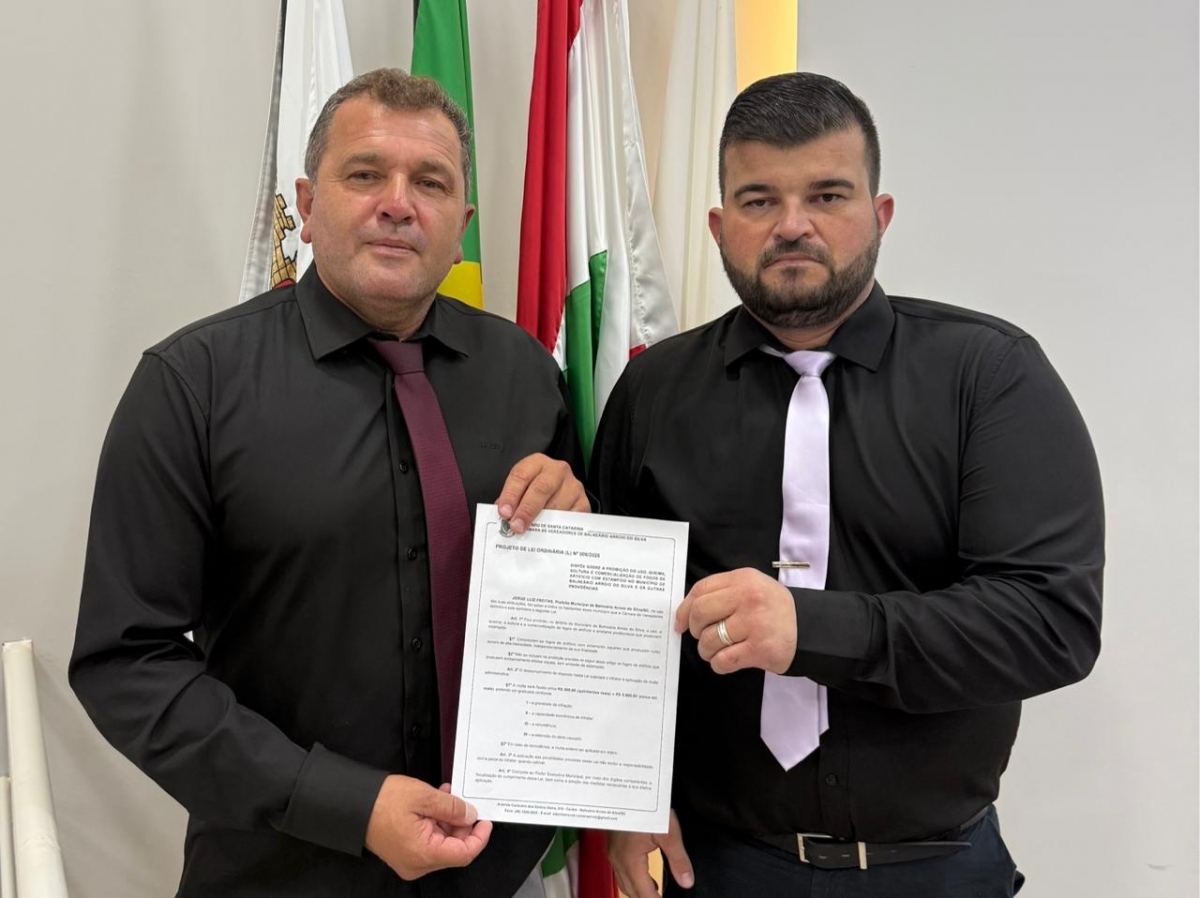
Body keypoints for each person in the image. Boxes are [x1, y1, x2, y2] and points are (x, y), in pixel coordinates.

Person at [70, 69, 589, 898]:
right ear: (308, 207)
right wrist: (345, 804)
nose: (398, 204)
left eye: (430, 183)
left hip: (498, 872)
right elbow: (126, 662)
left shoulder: (526, 376)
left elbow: (568, 623)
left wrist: (579, 528)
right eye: (365, 174)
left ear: (463, 225)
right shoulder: (193, 383)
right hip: (275, 873)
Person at [593, 72, 1103, 898]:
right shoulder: (652, 394)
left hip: (938, 869)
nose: (793, 225)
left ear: (880, 214)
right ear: (720, 227)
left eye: (827, 195)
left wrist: (811, 627)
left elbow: (1051, 624)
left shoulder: (990, 377)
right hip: (717, 868)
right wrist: (626, 792)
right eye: (759, 200)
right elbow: (613, 623)